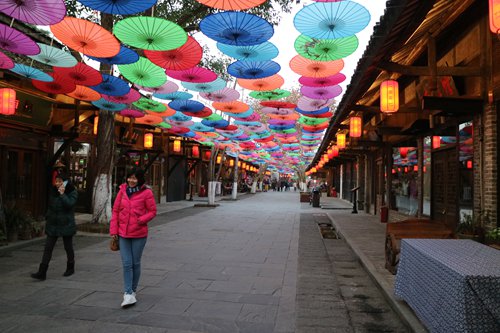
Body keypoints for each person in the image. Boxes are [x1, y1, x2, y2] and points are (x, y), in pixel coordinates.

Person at [110, 168, 157, 308]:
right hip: (123, 233)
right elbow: (116, 210)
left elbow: (152, 211)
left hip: (139, 234)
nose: (131, 180)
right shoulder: (122, 191)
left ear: (140, 179)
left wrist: (140, 220)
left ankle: (133, 291)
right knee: (126, 263)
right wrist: (114, 231)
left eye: (135, 178)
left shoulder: (146, 192)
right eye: (130, 177)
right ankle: (128, 293)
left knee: (135, 263)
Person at [31, 172, 78, 281]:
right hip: (53, 224)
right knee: (48, 247)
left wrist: (62, 194)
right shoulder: (53, 191)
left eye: (60, 181)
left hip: (66, 224)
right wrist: (48, 217)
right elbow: (51, 206)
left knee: (68, 247)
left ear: (66, 182)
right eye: (56, 181)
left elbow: (69, 204)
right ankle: (42, 272)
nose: (57, 183)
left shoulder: (72, 191)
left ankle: (70, 267)